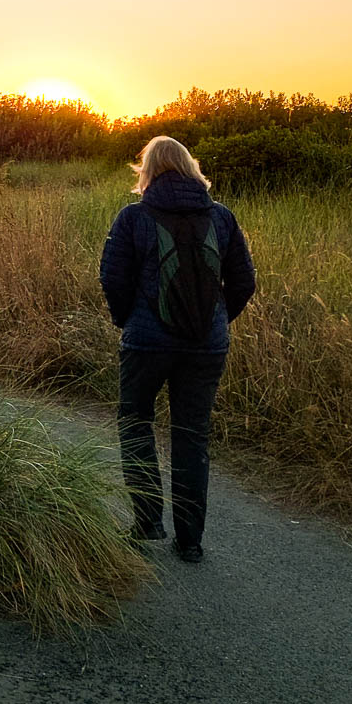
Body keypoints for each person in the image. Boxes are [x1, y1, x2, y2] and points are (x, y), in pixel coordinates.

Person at [99, 135, 255, 563]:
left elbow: (112, 278)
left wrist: (128, 321)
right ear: (191, 168)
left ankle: (147, 523)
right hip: (206, 347)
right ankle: (190, 541)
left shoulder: (133, 217)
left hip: (146, 343)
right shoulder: (221, 218)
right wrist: (216, 322)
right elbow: (244, 282)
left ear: (146, 171)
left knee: (135, 423)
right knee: (191, 437)